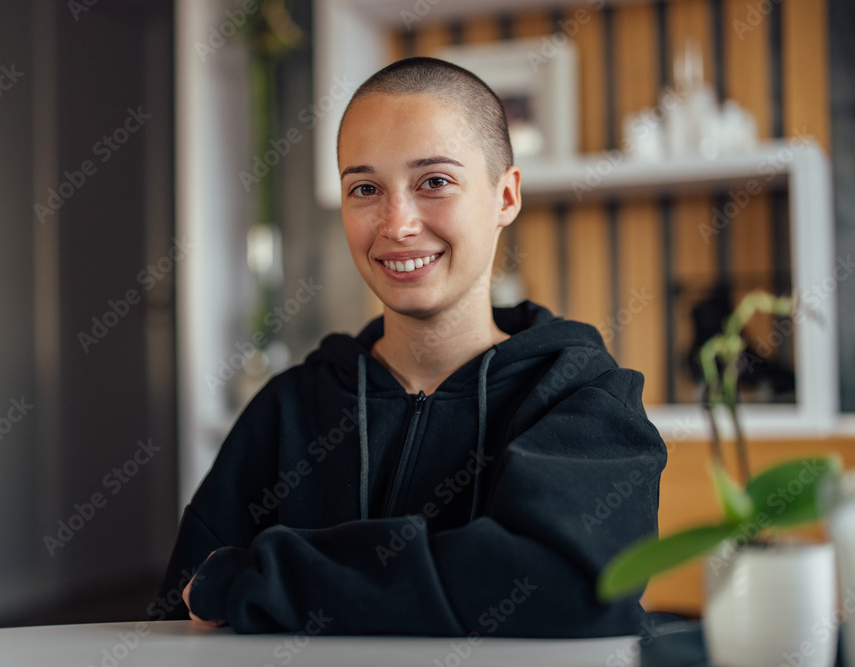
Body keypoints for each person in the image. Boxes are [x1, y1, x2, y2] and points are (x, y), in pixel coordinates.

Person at [155, 56, 667, 637]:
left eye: (435, 182)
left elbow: (570, 584)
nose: (396, 224)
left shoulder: (583, 397)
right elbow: (184, 614)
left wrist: (267, 577)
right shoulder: (287, 409)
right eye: (366, 188)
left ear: (506, 197)